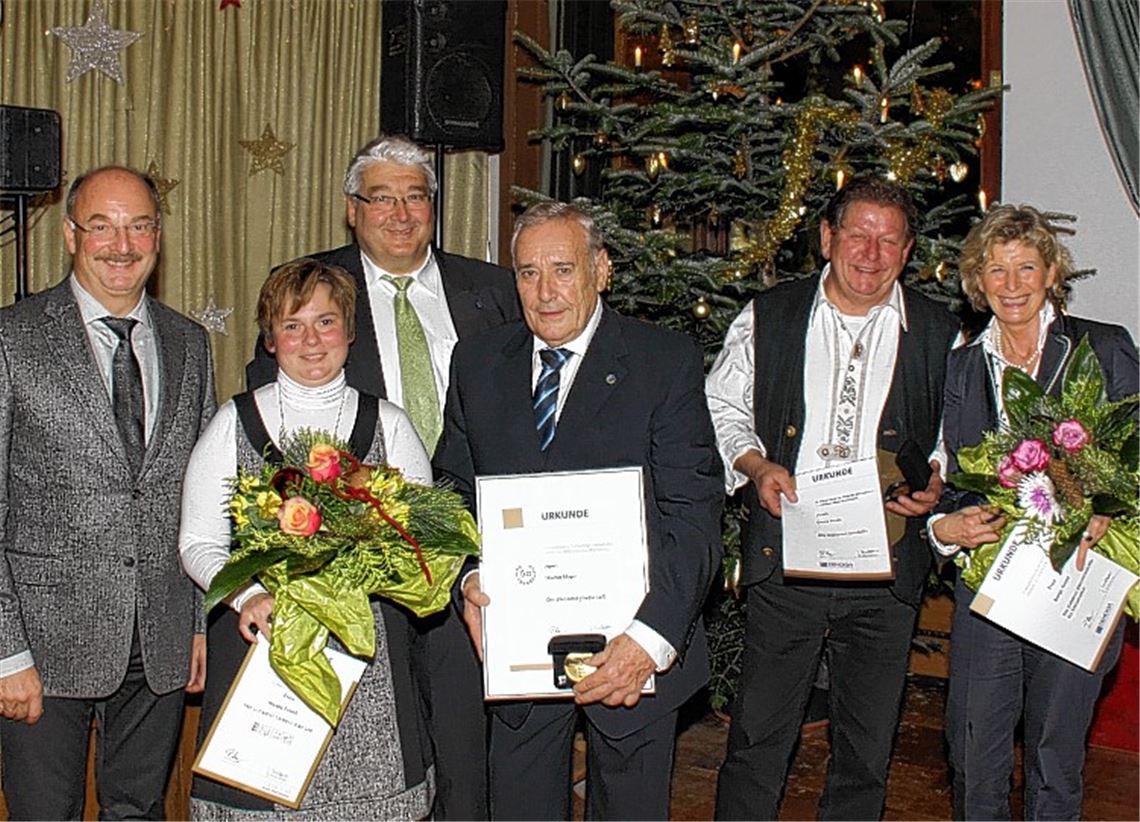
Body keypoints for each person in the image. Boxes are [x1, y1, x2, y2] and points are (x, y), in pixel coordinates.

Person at [246, 135, 518, 819]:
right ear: (351, 209)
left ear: (434, 206)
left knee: (464, 747)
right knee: (374, 763)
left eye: (415, 196)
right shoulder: (310, 290)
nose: (400, 213)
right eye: (382, 198)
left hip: (472, 557)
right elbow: (270, 421)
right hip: (354, 573)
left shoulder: (493, 291)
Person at [433, 201, 724, 820]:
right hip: (519, 649)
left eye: (563, 269)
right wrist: (470, 576)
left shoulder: (661, 362)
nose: (545, 292)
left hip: (634, 656)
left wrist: (649, 640)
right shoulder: (478, 363)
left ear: (602, 270)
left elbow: (693, 514)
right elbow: (452, 488)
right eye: (528, 273)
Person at [708, 176, 960, 820]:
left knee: (866, 750)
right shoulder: (769, 315)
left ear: (907, 253)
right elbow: (719, 407)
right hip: (786, 562)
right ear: (827, 238)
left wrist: (935, 480)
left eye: (889, 240)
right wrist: (756, 463)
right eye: (858, 234)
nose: (871, 253)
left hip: (887, 572)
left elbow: (957, 440)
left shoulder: (941, 333)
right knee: (757, 739)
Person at [180, 258, 435, 819]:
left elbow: (425, 540)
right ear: (270, 340)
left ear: (350, 330)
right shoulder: (232, 423)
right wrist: (249, 596)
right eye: (292, 325)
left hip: (369, 667)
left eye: (325, 322)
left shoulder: (390, 425)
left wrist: (362, 572)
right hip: (262, 654)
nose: (311, 340)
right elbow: (198, 542)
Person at [0, 165, 216, 819]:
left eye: (139, 225)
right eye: (102, 226)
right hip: (42, 645)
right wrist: (5, 651)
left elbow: (206, 499)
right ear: (70, 235)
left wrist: (201, 624)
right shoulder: (12, 338)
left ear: (159, 234)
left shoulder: (190, 343)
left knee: (140, 810)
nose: (121, 245)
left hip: (159, 638)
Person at [927, 204, 1137, 820]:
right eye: (997, 270)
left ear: (1051, 274)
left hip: (1079, 576)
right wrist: (944, 529)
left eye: (1026, 268)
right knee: (974, 751)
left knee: (1055, 755)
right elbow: (938, 474)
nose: (1012, 284)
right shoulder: (960, 367)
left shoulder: (1101, 347)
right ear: (978, 281)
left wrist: (1108, 505)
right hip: (990, 582)